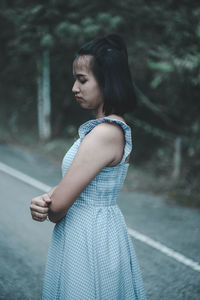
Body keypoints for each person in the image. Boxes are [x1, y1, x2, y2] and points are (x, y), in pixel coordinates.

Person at [30, 34, 146, 300]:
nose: (74, 88)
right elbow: (78, 184)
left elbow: (58, 209)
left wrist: (50, 204)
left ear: (107, 82)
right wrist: (48, 196)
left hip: (87, 235)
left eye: (82, 80)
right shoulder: (107, 129)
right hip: (96, 228)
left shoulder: (105, 132)